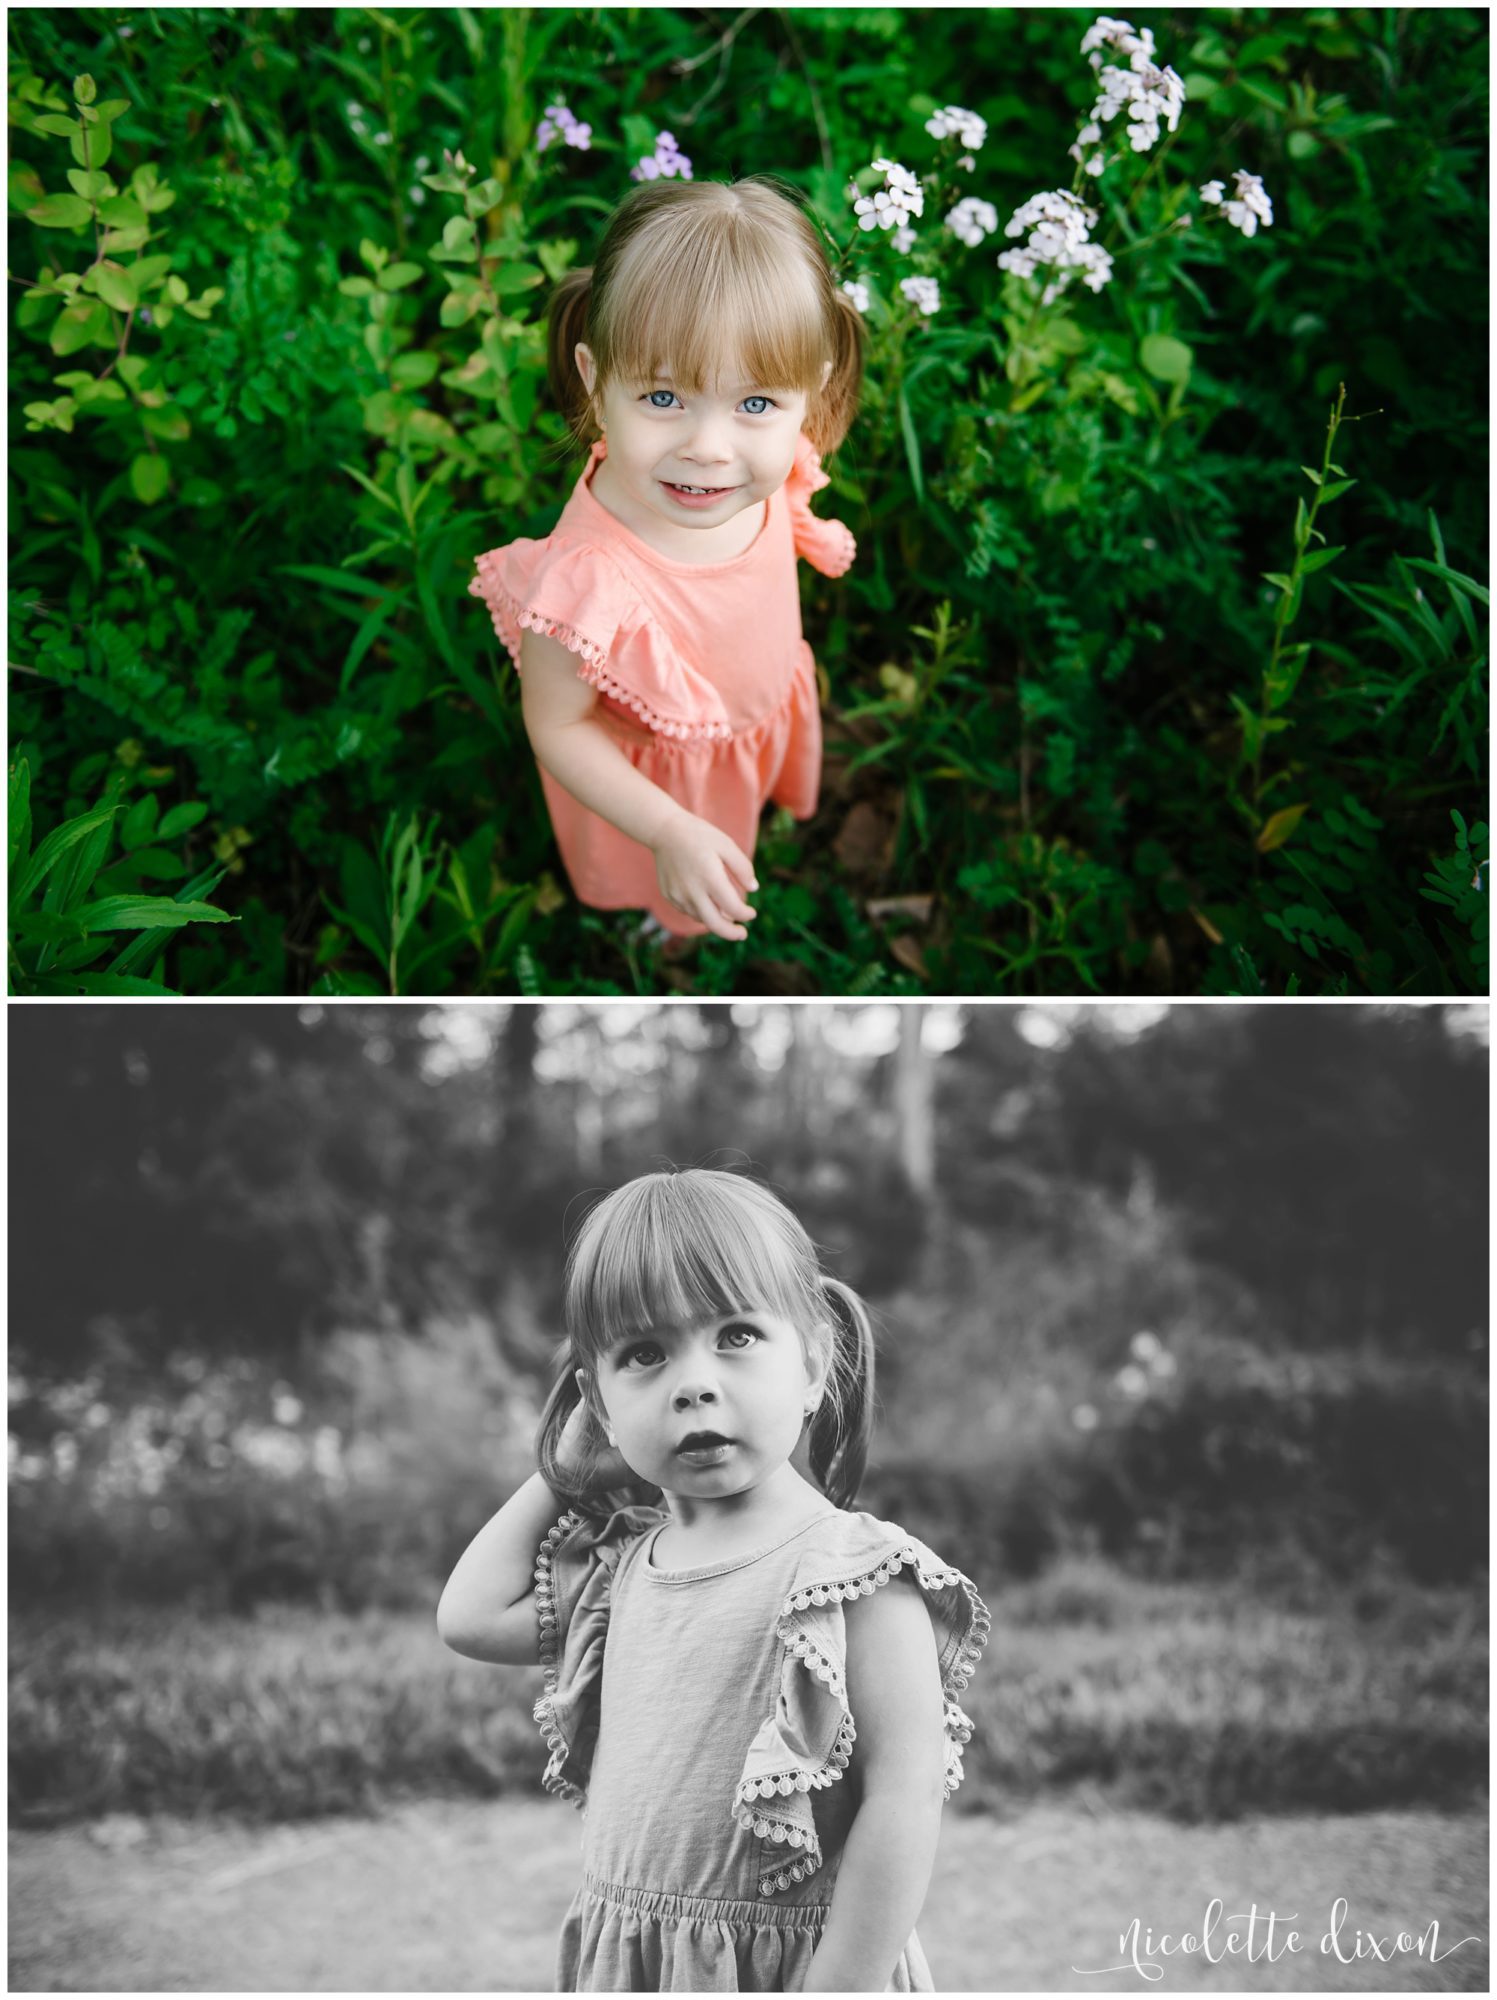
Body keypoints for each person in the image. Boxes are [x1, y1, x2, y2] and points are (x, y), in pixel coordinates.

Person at [437, 1167, 989, 1993]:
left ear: (812, 1363)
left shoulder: (853, 1575)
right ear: (596, 1399)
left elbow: (903, 1801)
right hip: (637, 1966)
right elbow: (471, 1618)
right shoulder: (622, 1575)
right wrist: (564, 1469)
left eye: (734, 1335)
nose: (693, 1382)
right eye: (644, 1355)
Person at [468, 177, 864, 942]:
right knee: (676, 872)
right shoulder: (585, 580)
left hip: (746, 716)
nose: (708, 449)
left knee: (737, 812)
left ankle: (743, 818)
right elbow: (557, 727)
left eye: (753, 404)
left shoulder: (771, 465)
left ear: (806, 395)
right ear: (594, 377)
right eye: (662, 398)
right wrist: (666, 830)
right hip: (651, 788)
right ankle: (650, 906)